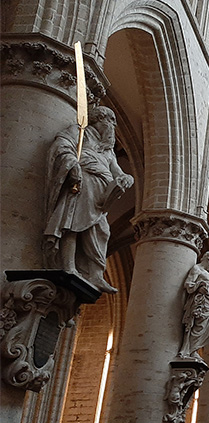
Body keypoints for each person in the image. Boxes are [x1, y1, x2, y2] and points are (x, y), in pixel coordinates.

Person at [44, 106, 134, 294]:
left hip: (101, 198)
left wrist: (127, 178)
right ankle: (68, 266)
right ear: (98, 120)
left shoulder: (108, 151)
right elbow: (62, 145)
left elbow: (117, 171)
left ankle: (95, 274)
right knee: (72, 224)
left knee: (103, 231)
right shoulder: (81, 133)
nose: (112, 127)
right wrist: (72, 165)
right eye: (110, 121)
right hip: (82, 185)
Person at [178, 251, 209, 358]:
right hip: (201, 302)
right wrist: (198, 286)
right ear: (208, 259)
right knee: (198, 327)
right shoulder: (197, 269)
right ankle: (190, 350)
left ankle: (194, 349)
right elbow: (188, 284)